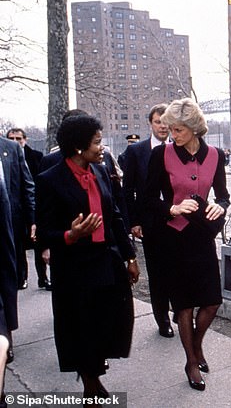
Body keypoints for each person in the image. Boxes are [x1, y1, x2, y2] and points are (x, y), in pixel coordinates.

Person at [35, 114, 139, 399]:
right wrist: (72, 234)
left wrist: (130, 257)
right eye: (97, 142)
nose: (102, 147)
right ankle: (90, 387)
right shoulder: (50, 180)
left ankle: (94, 374)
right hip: (75, 270)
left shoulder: (101, 171)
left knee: (109, 324)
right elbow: (43, 233)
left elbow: (115, 216)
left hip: (107, 262)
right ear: (79, 147)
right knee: (83, 329)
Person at [145, 98, 230, 392]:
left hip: (203, 237)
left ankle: (195, 344)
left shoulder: (216, 155)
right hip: (174, 238)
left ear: (194, 129)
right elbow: (146, 199)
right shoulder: (162, 155)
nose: (172, 135)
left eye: (178, 130)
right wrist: (171, 208)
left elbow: (223, 195)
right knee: (184, 304)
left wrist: (221, 206)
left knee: (212, 301)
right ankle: (191, 361)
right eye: (170, 129)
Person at [121, 104, 174, 338]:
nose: (163, 126)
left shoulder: (179, 148)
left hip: (176, 220)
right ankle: (162, 318)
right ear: (150, 124)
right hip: (150, 222)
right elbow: (128, 190)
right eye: (157, 122)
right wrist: (134, 221)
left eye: (166, 121)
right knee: (158, 272)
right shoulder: (137, 152)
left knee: (178, 270)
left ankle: (180, 313)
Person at [0, 135, 34, 367]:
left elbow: (26, 186)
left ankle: (5, 335)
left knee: (5, 283)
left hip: (6, 227)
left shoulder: (10, 148)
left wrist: (33, 220)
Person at [6, 129, 50, 290]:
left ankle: (40, 277)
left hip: (31, 205)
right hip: (14, 207)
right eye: (12, 138)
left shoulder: (36, 156)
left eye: (19, 138)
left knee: (34, 242)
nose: (16, 141)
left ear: (25, 139)